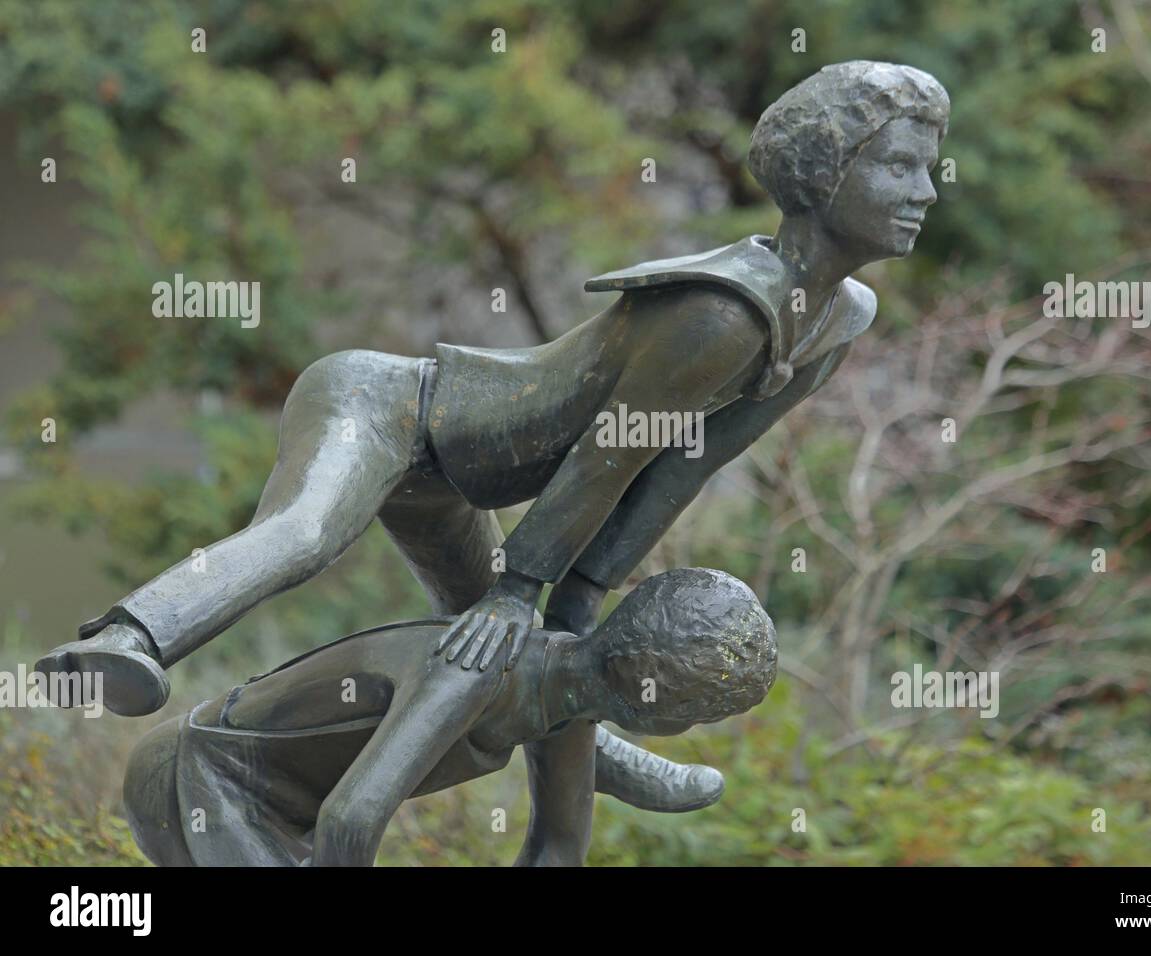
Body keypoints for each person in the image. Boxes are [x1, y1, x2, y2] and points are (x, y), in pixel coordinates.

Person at [39, 60, 950, 814]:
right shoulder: (727, 310)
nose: (926, 190)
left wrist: (578, 593)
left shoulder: (840, 318)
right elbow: (611, 450)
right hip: (393, 408)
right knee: (308, 536)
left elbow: (690, 459)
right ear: (825, 170)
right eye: (901, 166)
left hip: (456, 480)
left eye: (929, 167)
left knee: (521, 654)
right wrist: (521, 587)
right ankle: (128, 641)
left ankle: (597, 755)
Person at [122, 568, 776, 866]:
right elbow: (350, 820)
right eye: (698, 715)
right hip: (203, 779)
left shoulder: (570, 709)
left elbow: (556, 850)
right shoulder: (478, 668)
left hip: (288, 815)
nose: (691, 729)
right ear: (653, 693)